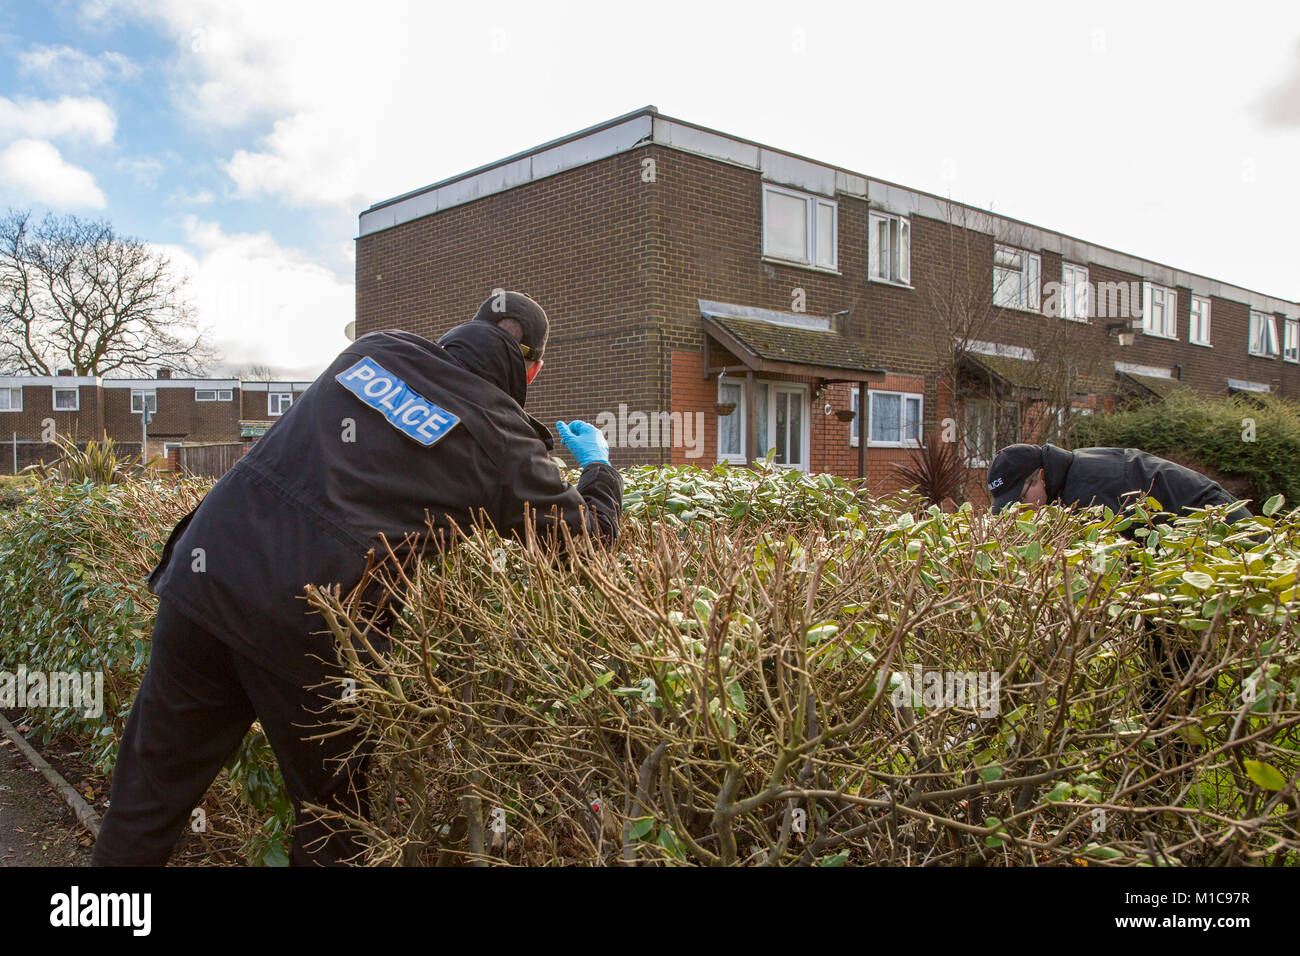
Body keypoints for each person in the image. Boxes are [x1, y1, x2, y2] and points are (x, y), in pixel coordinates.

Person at [92, 291, 622, 866]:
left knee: (147, 797)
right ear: (533, 369)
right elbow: (583, 543)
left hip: (208, 575)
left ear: (461, 332)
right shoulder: (502, 436)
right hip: (312, 624)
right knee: (331, 824)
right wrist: (599, 467)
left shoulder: (373, 349)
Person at [986, 443, 1252, 524]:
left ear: (1041, 477)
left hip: (1222, 523)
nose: (1018, 510)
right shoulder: (1072, 474)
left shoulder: (1088, 491)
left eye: (1020, 499)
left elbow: (1118, 568)